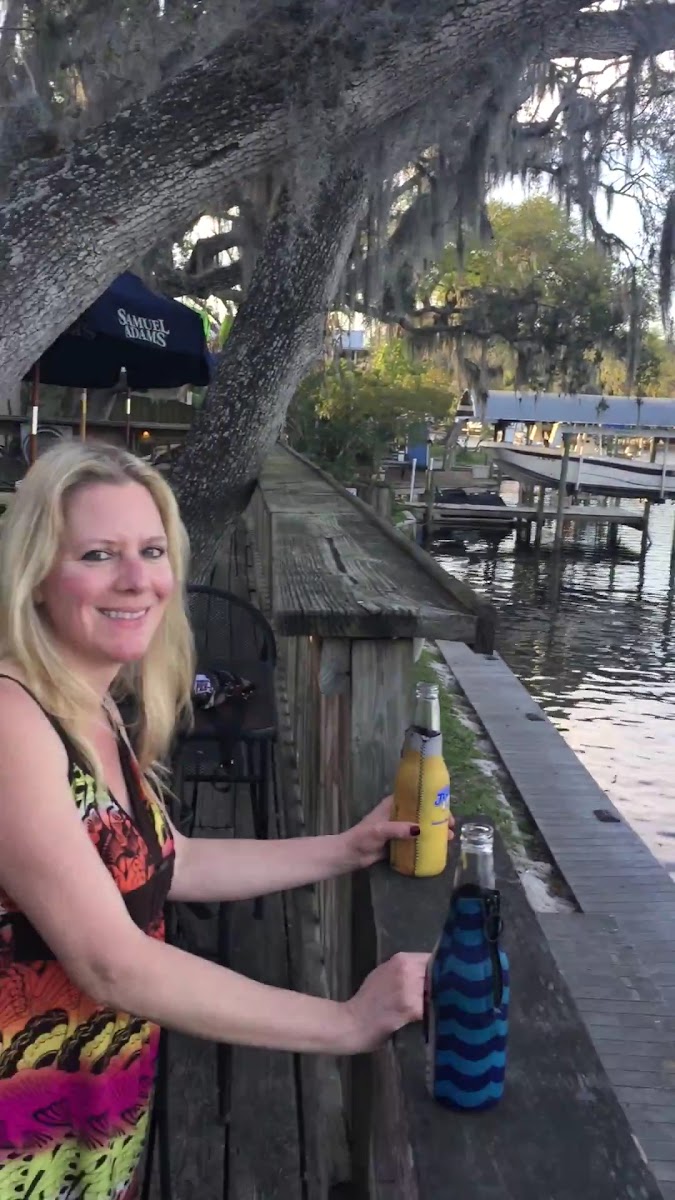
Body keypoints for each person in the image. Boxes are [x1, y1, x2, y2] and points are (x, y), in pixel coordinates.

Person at [0, 441, 443, 1200]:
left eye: (151, 551)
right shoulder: (13, 720)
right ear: (36, 576)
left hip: (87, 1121)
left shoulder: (87, 703)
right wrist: (345, 1022)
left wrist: (345, 848)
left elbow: (173, 861)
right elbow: (113, 963)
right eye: (99, 554)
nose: (137, 578)